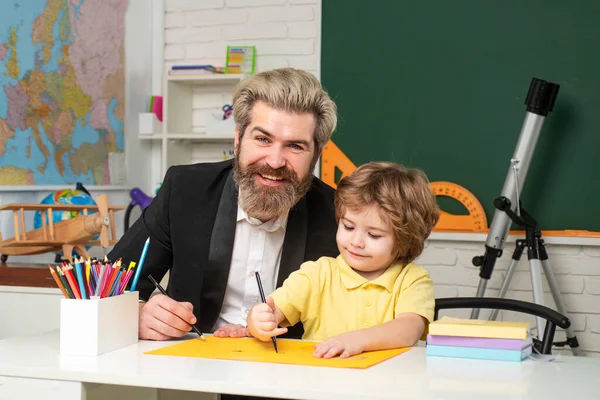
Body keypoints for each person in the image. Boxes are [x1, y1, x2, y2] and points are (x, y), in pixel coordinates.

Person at [109, 68, 339, 342]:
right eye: (263, 139)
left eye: (295, 147)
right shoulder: (184, 190)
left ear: (316, 156)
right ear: (238, 138)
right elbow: (103, 284)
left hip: (291, 376)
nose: (275, 162)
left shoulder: (340, 215)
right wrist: (136, 314)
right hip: (195, 370)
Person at [246, 162, 441, 359]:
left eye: (373, 235)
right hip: (322, 382)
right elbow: (273, 309)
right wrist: (259, 319)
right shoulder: (317, 273)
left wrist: (358, 340)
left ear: (405, 239)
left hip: (388, 385)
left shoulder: (413, 279)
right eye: (348, 227)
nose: (356, 242)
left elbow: (409, 329)